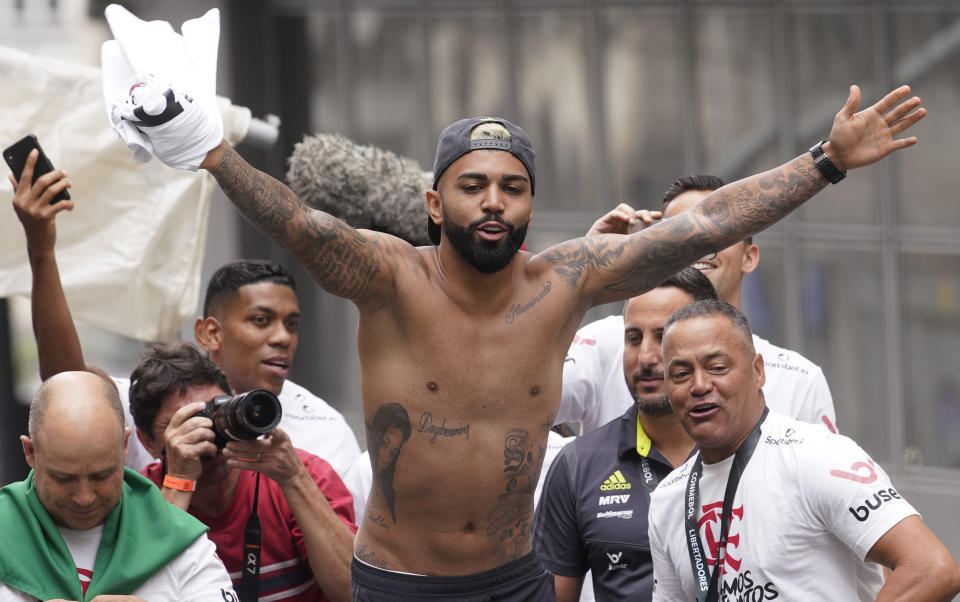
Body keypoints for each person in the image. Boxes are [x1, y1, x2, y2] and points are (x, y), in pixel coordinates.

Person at [123, 73, 924, 598]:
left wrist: (826, 161)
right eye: (473, 186)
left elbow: (702, 226)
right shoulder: (391, 277)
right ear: (437, 205)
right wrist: (214, 154)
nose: (494, 202)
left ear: (532, 207)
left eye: (512, 187)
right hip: (399, 581)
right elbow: (301, 223)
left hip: (514, 581)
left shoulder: (564, 283)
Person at [9, 149, 360, 476]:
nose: (283, 337)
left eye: (293, 324)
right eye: (261, 320)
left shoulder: (326, 431)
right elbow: (66, 383)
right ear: (210, 333)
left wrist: (293, 478)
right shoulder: (152, 404)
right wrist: (41, 248)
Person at [648, 300, 960, 601]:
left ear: (758, 371)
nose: (699, 384)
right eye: (680, 374)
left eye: (717, 367)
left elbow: (932, 569)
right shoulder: (667, 500)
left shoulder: (817, 456)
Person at [561, 174, 836, 435]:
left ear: (749, 257)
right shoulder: (601, 344)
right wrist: (580, 274)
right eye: (680, 229)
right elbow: (521, 400)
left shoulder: (799, 380)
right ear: (655, 249)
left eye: (719, 228)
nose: (698, 243)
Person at [534, 268, 715, 601]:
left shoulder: (759, 454)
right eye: (634, 338)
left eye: (663, 337)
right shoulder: (578, 466)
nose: (645, 357)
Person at [129, 342, 357, 602]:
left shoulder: (302, 474)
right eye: (185, 424)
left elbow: (353, 593)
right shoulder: (138, 500)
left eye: (212, 413)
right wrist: (179, 481)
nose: (206, 433)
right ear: (146, 441)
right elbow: (143, 594)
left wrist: (294, 480)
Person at [0, 371, 236, 601]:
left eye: (101, 476)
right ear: (30, 452)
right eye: (65, 478)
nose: (85, 497)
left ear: (125, 445)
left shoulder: (182, 542)